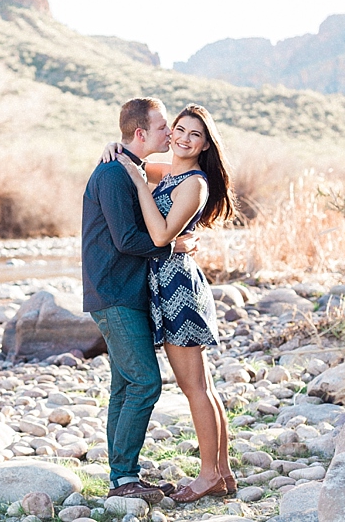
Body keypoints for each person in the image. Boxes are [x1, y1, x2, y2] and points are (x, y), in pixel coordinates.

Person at [103, 103, 239, 502]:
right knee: (205, 387)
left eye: (194, 134)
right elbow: (134, 162)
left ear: (205, 145)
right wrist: (117, 148)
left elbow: (161, 236)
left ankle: (209, 474)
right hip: (164, 285)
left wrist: (138, 181)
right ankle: (225, 474)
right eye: (178, 129)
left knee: (194, 387)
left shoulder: (194, 183)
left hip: (178, 288)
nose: (182, 138)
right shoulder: (168, 172)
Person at [82, 97, 198, 503]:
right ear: (140, 133)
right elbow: (127, 239)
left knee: (123, 385)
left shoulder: (126, 169)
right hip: (114, 293)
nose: (170, 133)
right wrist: (174, 248)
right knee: (146, 383)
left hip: (122, 292)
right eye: (165, 126)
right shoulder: (114, 175)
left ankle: (120, 478)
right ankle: (125, 475)